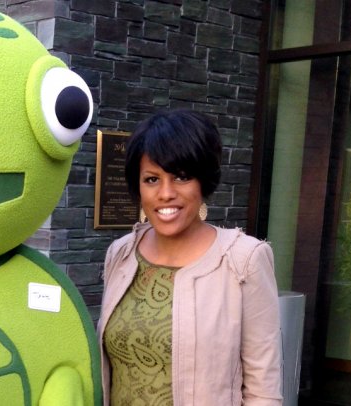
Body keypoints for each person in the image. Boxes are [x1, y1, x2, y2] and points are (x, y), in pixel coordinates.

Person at [97, 109, 282, 405]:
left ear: (203, 182)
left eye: (181, 177)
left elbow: (264, 391)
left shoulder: (243, 260)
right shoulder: (121, 254)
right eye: (152, 179)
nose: (166, 193)